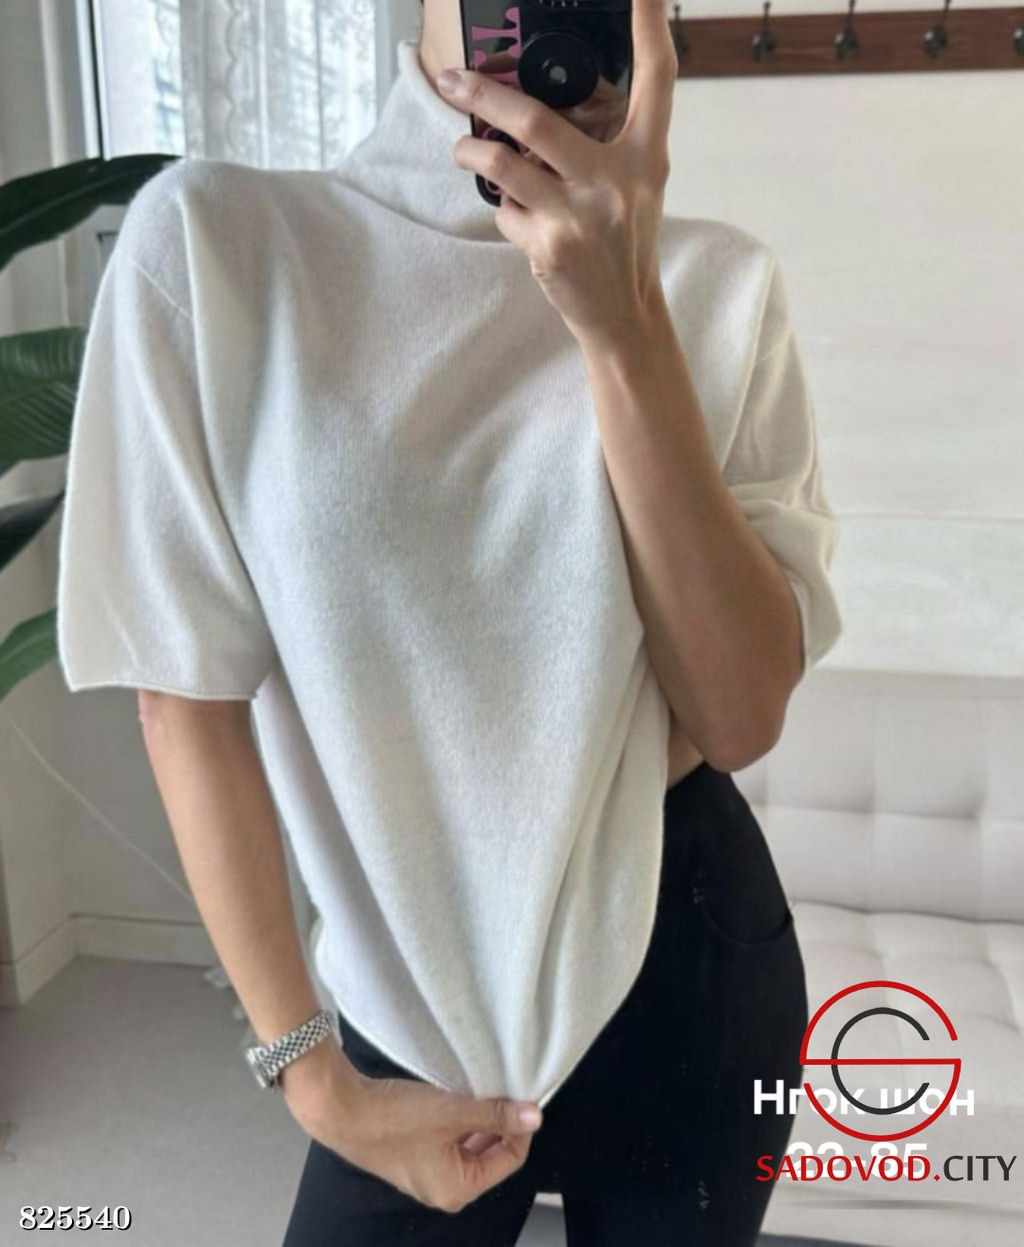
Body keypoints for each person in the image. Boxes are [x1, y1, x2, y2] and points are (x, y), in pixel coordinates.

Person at [55, 0, 842, 1242]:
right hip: (402, 995)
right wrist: (316, 1081)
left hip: (686, 959)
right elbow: (184, 695)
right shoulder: (219, 247)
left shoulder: (719, 284)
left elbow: (739, 716)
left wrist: (623, 322)